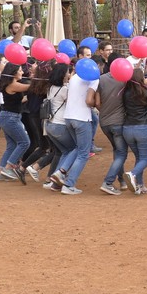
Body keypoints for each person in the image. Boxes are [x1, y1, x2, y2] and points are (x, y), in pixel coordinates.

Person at [50, 60, 98, 195]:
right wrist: (96, 104)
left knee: (77, 148)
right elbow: (89, 100)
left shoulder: (74, 77)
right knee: (84, 153)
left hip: (69, 117)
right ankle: (69, 184)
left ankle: (59, 176)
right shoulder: (94, 78)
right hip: (82, 118)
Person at [120, 69, 147, 194]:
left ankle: (140, 185)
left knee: (139, 158)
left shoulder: (125, 93)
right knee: (145, 159)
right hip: (143, 128)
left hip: (127, 129)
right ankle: (132, 174)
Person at [97, 53, 128, 195]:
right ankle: (108, 181)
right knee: (121, 153)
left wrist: (104, 111)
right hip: (118, 122)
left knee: (117, 150)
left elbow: (97, 103)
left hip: (104, 122)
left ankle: (121, 181)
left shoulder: (101, 79)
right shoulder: (125, 79)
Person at [0, 62, 31, 184]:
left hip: (7, 116)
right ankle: (9, 167)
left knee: (11, 145)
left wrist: (27, 98)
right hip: (10, 118)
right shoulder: (13, 84)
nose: (22, 72)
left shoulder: (10, 84)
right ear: (13, 73)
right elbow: (29, 87)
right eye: (20, 70)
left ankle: (0, 172)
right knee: (24, 142)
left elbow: (18, 100)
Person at [42, 63, 73, 192]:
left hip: (48, 125)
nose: (68, 74)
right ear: (62, 74)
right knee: (74, 149)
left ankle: (54, 178)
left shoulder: (50, 88)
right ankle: (59, 174)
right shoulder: (65, 90)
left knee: (65, 151)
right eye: (67, 72)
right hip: (59, 124)